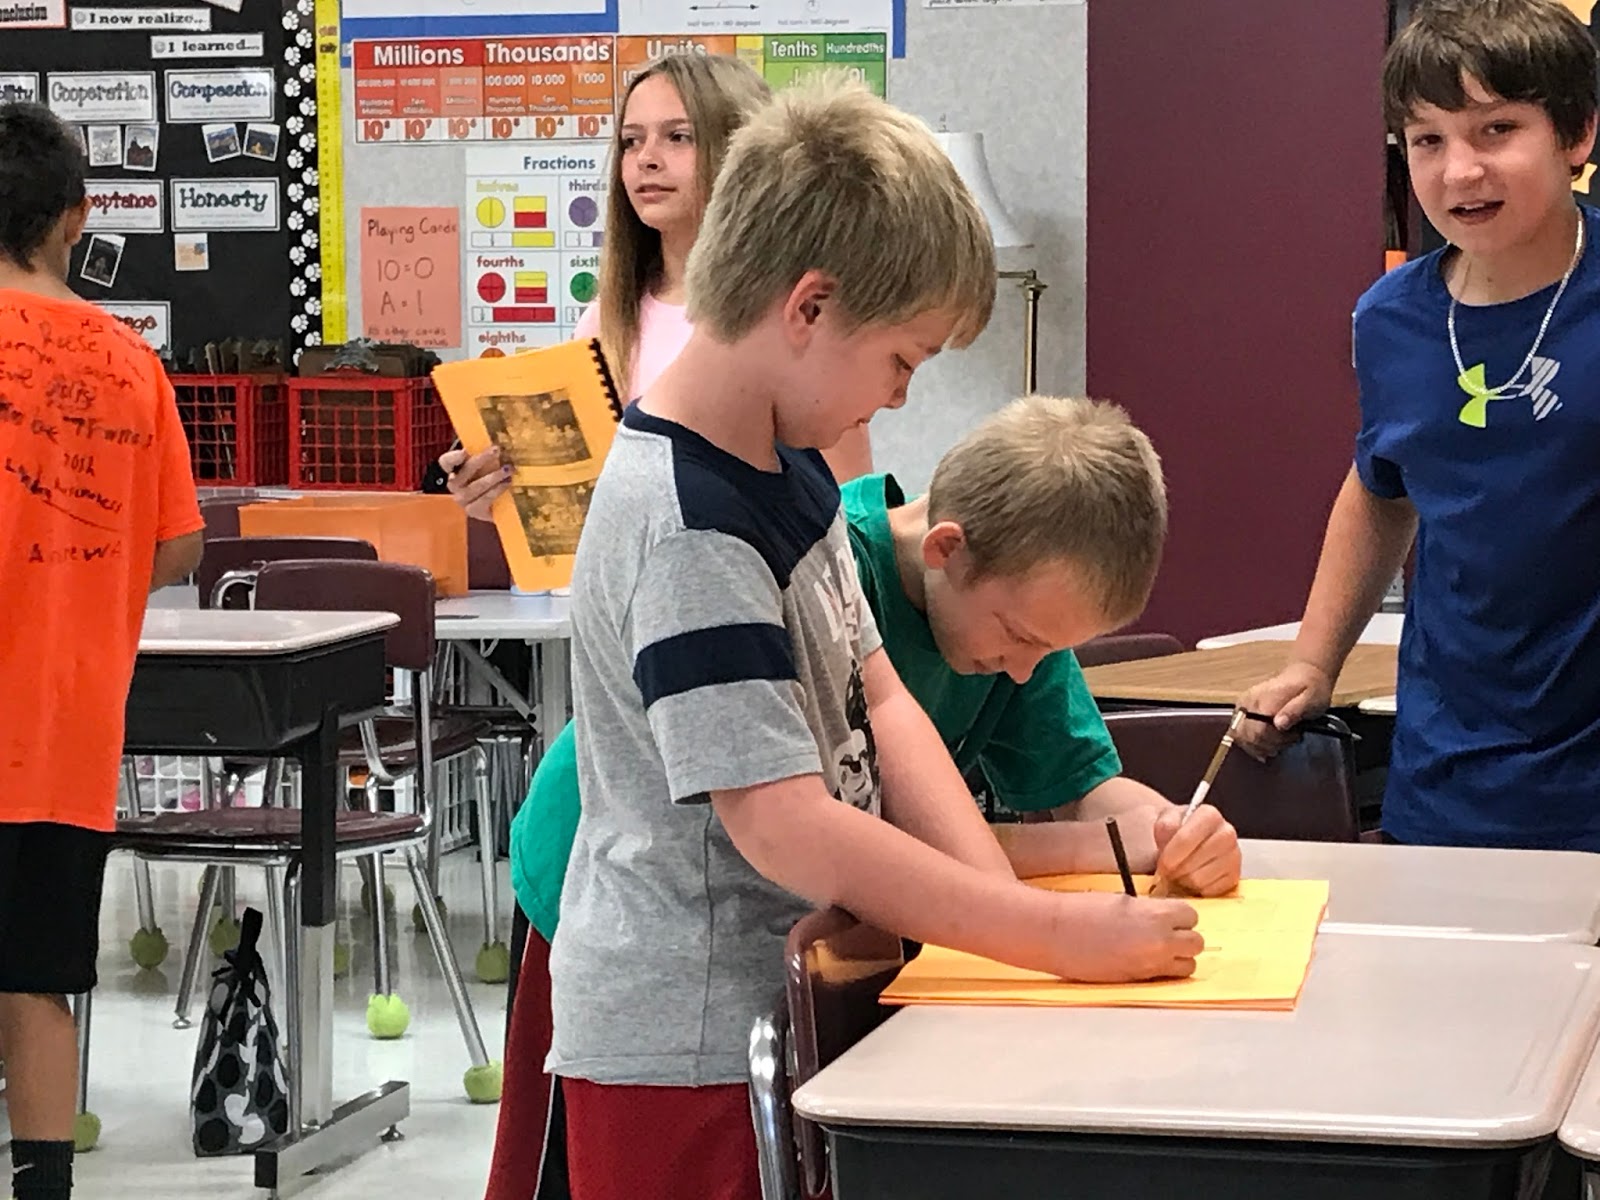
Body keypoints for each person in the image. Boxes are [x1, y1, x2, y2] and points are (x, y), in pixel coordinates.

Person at [548, 75, 1211, 1200]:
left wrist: (1005, 918)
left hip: (797, 996)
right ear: (809, 308)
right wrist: (1045, 937)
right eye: (902, 359)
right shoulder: (689, 527)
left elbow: (885, 702)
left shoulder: (790, 468)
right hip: (693, 1047)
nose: (899, 397)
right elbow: (783, 825)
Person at [1239, 0, 1600, 849]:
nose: (1460, 171)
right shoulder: (1389, 318)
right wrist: (1313, 662)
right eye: (1427, 140)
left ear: (1577, 134)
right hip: (1449, 777)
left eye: (1497, 130)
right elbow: (1380, 489)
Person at [0, 102, 204, 1200]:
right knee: (36, 979)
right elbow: (178, 546)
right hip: (61, 732)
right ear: (76, 217)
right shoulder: (128, 364)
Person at [442, 53, 873, 522]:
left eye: (678, 137)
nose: (646, 159)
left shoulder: (800, 317)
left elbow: (845, 518)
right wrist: (498, 494)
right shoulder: (605, 319)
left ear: (744, 152)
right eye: (631, 141)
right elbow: (589, 507)